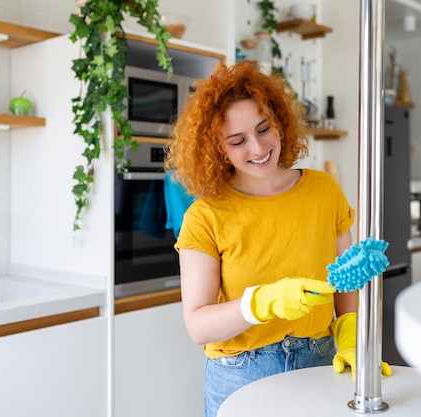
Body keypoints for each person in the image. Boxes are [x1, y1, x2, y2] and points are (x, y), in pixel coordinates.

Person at [165, 61, 389, 417]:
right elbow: (198, 324)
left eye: (263, 128)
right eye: (237, 141)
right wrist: (260, 302)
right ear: (217, 149)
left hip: (321, 360)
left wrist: (350, 335)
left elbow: (347, 281)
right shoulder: (205, 216)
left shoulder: (323, 191)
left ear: (279, 121)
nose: (257, 148)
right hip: (242, 372)